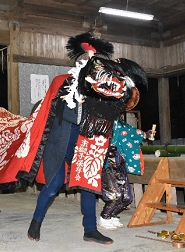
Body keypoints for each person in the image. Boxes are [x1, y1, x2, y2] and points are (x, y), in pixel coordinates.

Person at [21, 32, 149, 245]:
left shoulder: (101, 90)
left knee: (88, 183)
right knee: (54, 184)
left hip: (85, 143)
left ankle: (90, 230)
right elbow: (62, 113)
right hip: (60, 141)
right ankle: (35, 222)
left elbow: (108, 114)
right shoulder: (62, 82)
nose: (89, 61)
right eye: (86, 58)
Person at [99, 120, 155, 230]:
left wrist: (145, 134)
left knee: (126, 196)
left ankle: (111, 215)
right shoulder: (99, 118)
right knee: (114, 195)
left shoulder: (118, 122)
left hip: (118, 159)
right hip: (106, 160)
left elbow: (130, 131)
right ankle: (104, 217)